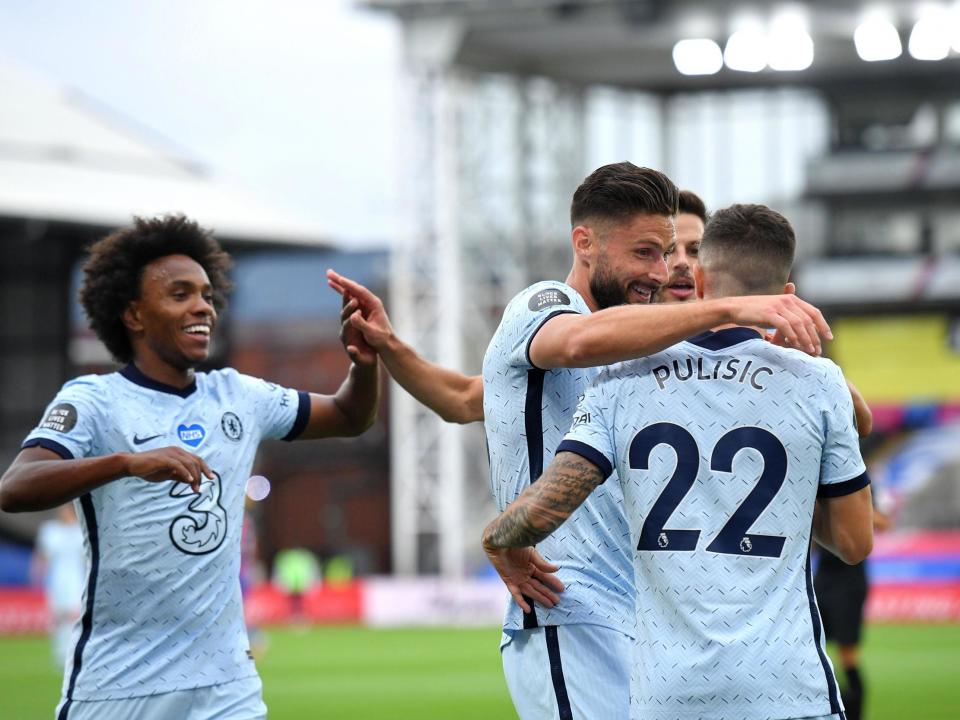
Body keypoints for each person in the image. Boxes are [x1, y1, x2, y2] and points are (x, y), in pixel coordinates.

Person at [330, 163, 833, 719]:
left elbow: (468, 398)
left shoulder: (645, 354)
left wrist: (391, 345)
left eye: (671, 253)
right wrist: (728, 307)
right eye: (647, 253)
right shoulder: (545, 305)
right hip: (566, 605)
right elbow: (575, 343)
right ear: (584, 243)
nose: (664, 271)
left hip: (645, 619)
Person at [482, 202, 874, 720]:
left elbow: (543, 510)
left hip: (671, 694)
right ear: (786, 295)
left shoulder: (621, 382)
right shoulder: (818, 384)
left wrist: (498, 538)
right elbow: (853, 543)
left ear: (699, 280)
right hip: (788, 687)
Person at [0, 215, 379, 720]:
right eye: (180, 294)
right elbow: (16, 488)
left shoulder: (239, 395)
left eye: (206, 294)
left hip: (227, 688)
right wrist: (126, 463)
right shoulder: (94, 401)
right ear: (134, 314)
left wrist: (364, 362)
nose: (202, 306)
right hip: (117, 688)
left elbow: (350, 415)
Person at [814, 508, 891, 720]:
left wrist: (849, 511)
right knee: (813, 647)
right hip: (822, 579)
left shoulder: (860, 485)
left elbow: (884, 523)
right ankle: (827, 705)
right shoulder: (814, 488)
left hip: (849, 583)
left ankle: (855, 714)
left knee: (847, 654)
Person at [33, 503, 86, 668]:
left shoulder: (80, 530)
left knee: (74, 615)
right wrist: (37, 574)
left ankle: (72, 652)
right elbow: (43, 556)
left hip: (76, 578)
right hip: (56, 579)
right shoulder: (50, 530)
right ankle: (59, 653)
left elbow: (86, 558)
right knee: (57, 616)